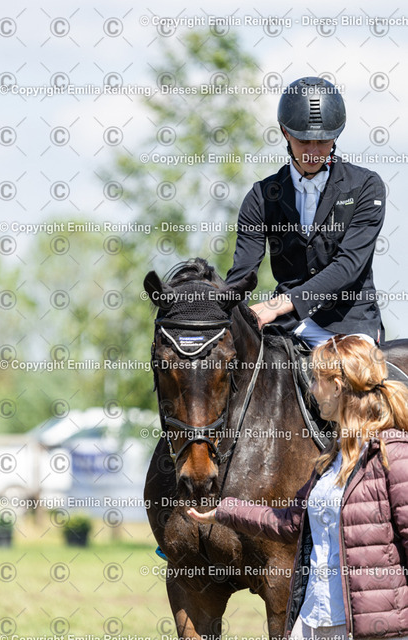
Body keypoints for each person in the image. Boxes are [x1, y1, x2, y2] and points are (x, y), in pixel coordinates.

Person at [188, 334, 408, 640]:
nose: (312, 389)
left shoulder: (393, 454)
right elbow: (289, 523)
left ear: (337, 386)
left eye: (317, 380)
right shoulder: (331, 458)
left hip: (374, 630)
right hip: (313, 620)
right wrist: (224, 511)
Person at [225, 76, 386, 347]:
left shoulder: (366, 187)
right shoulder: (261, 197)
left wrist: (278, 304)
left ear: (336, 136)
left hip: (349, 325)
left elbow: (348, 266)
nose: (313, 151)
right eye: (303, 141)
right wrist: (212, 311)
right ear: (286, 132)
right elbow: (241, 275)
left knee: (346, 371)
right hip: (288, 325)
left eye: (322, 141)